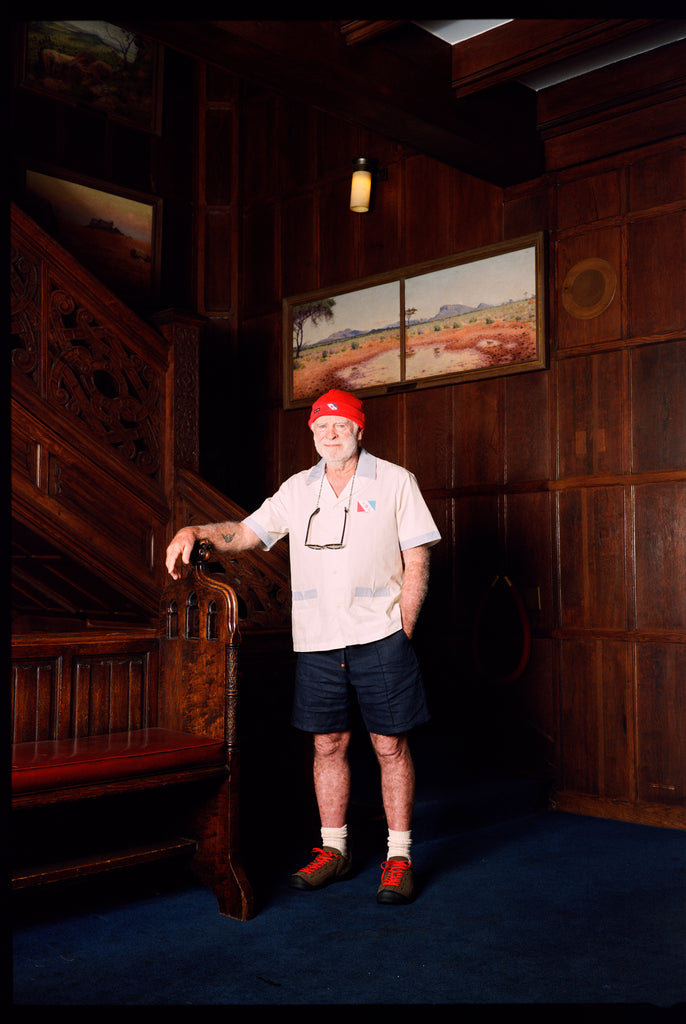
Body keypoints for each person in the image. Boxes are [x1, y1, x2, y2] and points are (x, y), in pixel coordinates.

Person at [165, 389, 441, 905]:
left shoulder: (396, 481)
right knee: (326, 745)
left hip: (381, 637)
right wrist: (196, 529)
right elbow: (245, 534)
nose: (330, 433)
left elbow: (417, 559)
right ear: (312, 433)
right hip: (317, 640)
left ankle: (399, 855)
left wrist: (401, 630)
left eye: (341, 425)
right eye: (321, 426)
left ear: (360, 430)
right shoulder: (298, 488)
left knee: (389, 746)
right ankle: (334, 850)